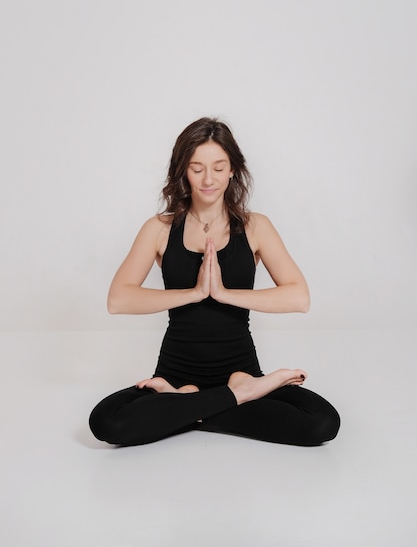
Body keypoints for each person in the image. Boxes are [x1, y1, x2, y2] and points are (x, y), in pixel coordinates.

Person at [89, 117, 340, 446]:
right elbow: (118, 300)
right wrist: (194, 293)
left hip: (239, 368)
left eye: (219, 168)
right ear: (182, 170)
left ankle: (185, 404)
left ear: (233, 169)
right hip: (175, 374)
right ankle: (237, 396)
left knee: (321, 423)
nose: (209, 179)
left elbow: (299, 297)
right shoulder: (160, 229)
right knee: (106, 422)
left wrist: (223, 293)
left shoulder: (255, 227)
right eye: (197, 168)